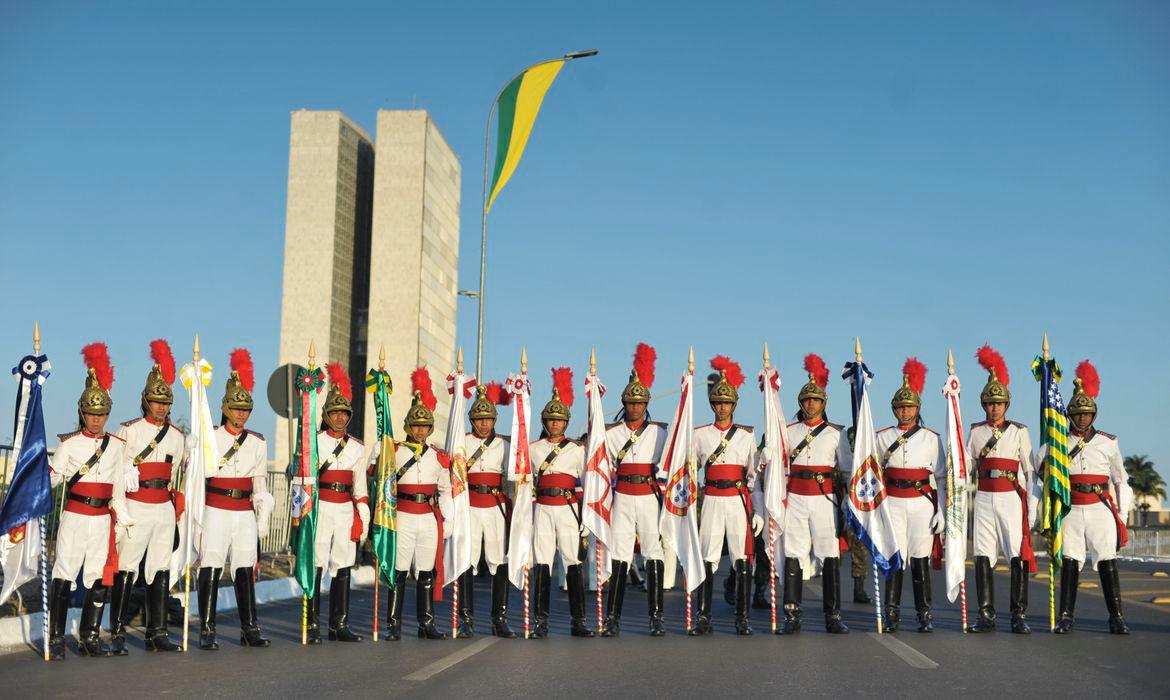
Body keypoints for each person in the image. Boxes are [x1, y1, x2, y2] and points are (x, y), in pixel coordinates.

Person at [46, 343, 128, 659]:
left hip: (101, 519)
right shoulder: (69, 445)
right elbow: (53, 479)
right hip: (76, 515)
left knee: (96, 575)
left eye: (102, 414)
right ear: (83, 413)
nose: (96, 420)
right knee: (64, 572)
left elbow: (118, 487)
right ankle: (55, 638)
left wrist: (122, 518)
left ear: (108, 414)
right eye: (92, 414)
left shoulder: (117, 446)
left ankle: (90, 637)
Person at [111, 340, 186, 653]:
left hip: (162, 508)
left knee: (160, 568)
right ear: (146, 401)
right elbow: (117, 472)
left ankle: (157, 632)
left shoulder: (177, 437)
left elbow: (177, 470)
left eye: (166, 402)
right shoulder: (129, 430)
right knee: (127, 566)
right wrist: (120, 508)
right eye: (156, 401)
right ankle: (115, 630)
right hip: (136, 505)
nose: (161, 407)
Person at [199, 348, 274, 649]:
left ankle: (250, 627)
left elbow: (259, 481)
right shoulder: (211, 437)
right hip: (216, 508)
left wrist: (263, 514)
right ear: (226, 408)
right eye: (236, 408)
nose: (241, 413)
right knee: (212, 567)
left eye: (246, 409)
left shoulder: (257, 442)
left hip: (244, 510)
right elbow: (198, 477)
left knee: (245, 566)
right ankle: (206, 628)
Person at [1052, 360, 1131, 634]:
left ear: (1094, 414)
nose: (1082, 418)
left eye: (1087, 413)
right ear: (1070, 415)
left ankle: (1116, 616)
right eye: (1078, 413)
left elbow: (1121, 480)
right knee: (1071, 561)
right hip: (1072, 508)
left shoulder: (1108, 442)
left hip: (1099, 507)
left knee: (1107, 560)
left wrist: (1122, 514)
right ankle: (1065, 617)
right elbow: (1043, 473)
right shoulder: (1058, 441)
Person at [966, 345, 1036, 634]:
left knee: (1016, 554)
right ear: (984, 405)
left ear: (1007, 405)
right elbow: (966, 468)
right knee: (983, 554)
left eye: (999, 403)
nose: (994, 407)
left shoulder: (1019, 431)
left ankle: (1018, 615)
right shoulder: (975, 431)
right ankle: (985, 614)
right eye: (989, 403)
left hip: (1009, 497)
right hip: (983, 497)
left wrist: (1032, 506)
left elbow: (1030, 472)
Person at [379, 368, 453, 640]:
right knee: (398, 571)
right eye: (416, 425)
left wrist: (449, 516)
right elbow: (380, 478)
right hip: (403, 515)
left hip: (428, 517)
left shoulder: (438, 456)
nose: (420, 430)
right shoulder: (395, 450)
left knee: (426, 571)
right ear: (407, 427)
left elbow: (445, 489)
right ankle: (393, 624)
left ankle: (427, 623)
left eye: (425, 426)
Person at [779, 353, 851, 635]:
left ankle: (832, 615)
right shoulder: (788, 431)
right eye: (807, 400)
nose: (811, 404)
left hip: (824, 499)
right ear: (800, 403)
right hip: (796, 497)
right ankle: (792, 615)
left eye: (816, 400)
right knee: (793, 554)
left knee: (829, 554)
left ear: (824, 403)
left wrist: (848, 503)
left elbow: (846, 470)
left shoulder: (836, 433)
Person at [690, 355, 762, 636]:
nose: (722, 407)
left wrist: (758, 510)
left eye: (727, 403)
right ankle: (703, 617)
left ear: (734, 405)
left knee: (741, 559)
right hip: (711, 501)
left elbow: (754, 477)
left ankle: (742, 618)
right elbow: (690, 471)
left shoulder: (746, 435)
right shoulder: (699, 434)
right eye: (718, 403)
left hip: (736, 501)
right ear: (713, 405)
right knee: (707, 559)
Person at [875, 358, 945, 633]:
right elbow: (872, 473)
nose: (905, 411)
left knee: (919, 561)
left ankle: (924, 613)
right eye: (901, 407)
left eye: (910, 407)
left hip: (921, 505)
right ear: (894, 409)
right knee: (895, 559)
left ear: (918, 409)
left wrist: (942, 509)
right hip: (892, 503)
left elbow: (940, 476)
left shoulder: (931, 438)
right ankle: (891, 614)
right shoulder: (881, 437)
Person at [602, 344, 668, 637]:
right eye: (631, 403)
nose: (635, 408)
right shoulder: (610, 434)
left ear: (646, 404)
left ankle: (656, 617)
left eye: (640, 403)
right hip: (623, 498)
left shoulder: (661, 432)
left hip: (649, 497)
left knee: (653, 553)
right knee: (619, 554)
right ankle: (612, 618)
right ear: (624, 404)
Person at [305, 362, 369, 644]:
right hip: (320, 507)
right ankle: (311, 623)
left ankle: (338, 624)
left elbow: (360, 487)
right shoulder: (314, 441)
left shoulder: (357, 447)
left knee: (343, 565)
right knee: (316, 564)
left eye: (344, 413)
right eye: (335, 412)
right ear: (326, 414)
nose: (340, 417)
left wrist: (363, 514)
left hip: (344, 508)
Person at [530, 368, 594, 638]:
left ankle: (578, 620)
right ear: (544, 421)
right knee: (542, 564)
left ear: (566, 423)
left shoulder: (577, 450)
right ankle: (540, 621)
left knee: (572, 564)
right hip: (544, 509)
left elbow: (590, 483)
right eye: (550, 420)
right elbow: (524, 485)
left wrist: (587, 516)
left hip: (568, 510)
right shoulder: (532, 449)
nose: (555, 424)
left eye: (559, 420)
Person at [457, 382, 515, 638]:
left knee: (498, 562)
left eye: (488, 419)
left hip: (494, 506)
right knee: (466, 562)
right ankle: (465, 618)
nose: (484, 424)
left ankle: (499, 618)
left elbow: (514, 476)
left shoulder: (504, 445)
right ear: (472, 419)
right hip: (469, 505)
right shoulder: (462, 442)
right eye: (479, 419)